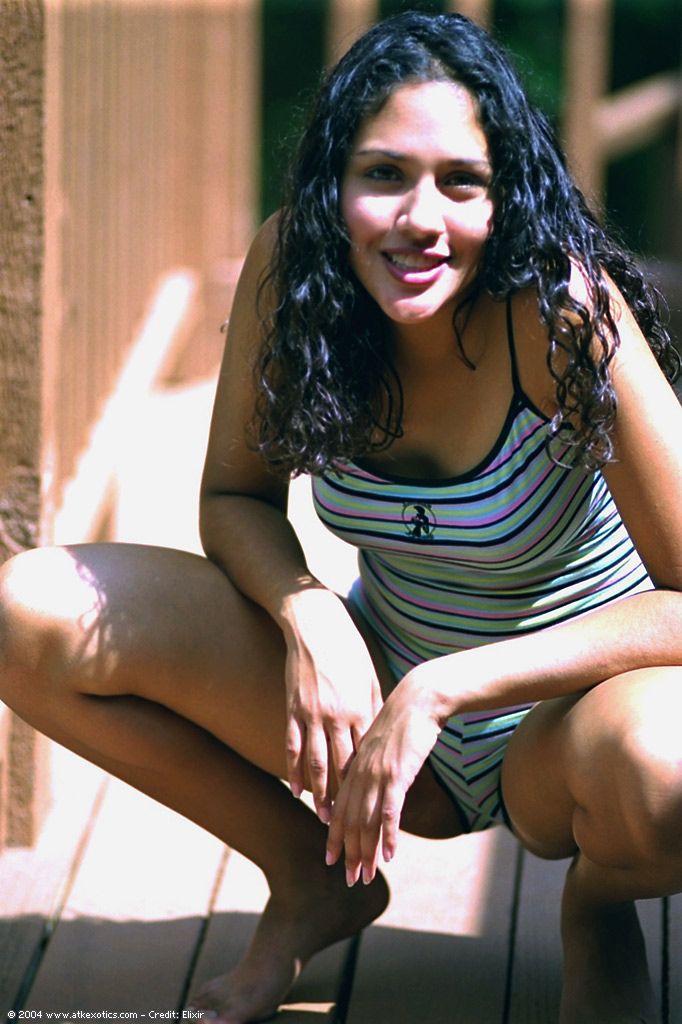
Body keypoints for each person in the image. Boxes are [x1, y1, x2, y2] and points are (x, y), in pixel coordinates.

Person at [1, 10, 681, 1023]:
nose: (420, 218)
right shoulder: (295, 271)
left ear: (507, 196)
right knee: (30, 612)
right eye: (384, 174)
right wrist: (307, 608)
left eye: (462, 181)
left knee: (667, 776)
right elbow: (234, 498)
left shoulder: (557, 309)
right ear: (334, 183)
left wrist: (447, 688)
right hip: (379, 688)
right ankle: (312, 876)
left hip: (570, 718)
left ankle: (596, 904)